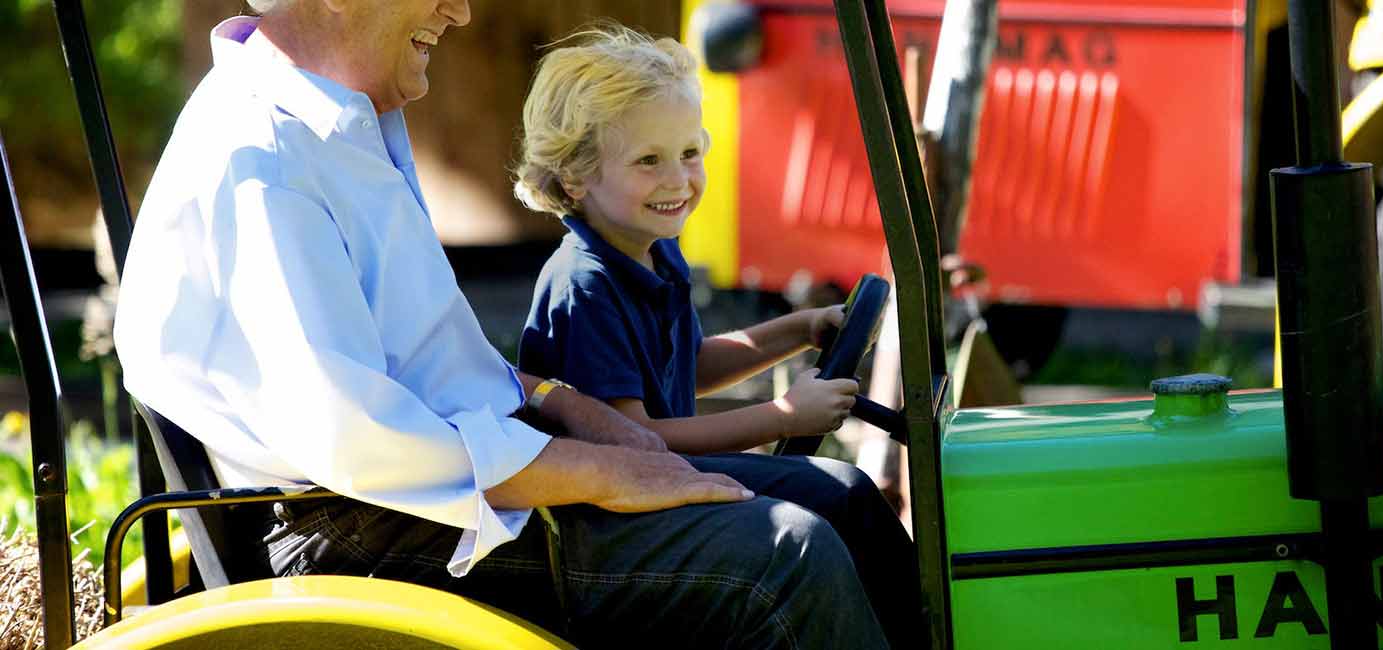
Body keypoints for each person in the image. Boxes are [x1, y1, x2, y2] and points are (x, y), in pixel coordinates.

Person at [112, 1, 912, 647]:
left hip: (421, 493)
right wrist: (600, 470)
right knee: (789, 555)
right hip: (370, 525)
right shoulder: (265, 165)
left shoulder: (336, 127)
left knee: (837, 495)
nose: (458, 11)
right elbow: (358, 436)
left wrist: (553, 397)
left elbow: (415, 365)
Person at [512, 28, 925, 648]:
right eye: (648, 160)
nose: (678, 179)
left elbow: (689, 366)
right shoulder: (585, 286)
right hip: (611, 506)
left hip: (662, 472)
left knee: (846, 493)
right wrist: (781, 414)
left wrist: (796, 331)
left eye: (689, 153)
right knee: (832, 493)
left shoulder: (654, 252)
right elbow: (638, 437)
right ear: (574, 178)